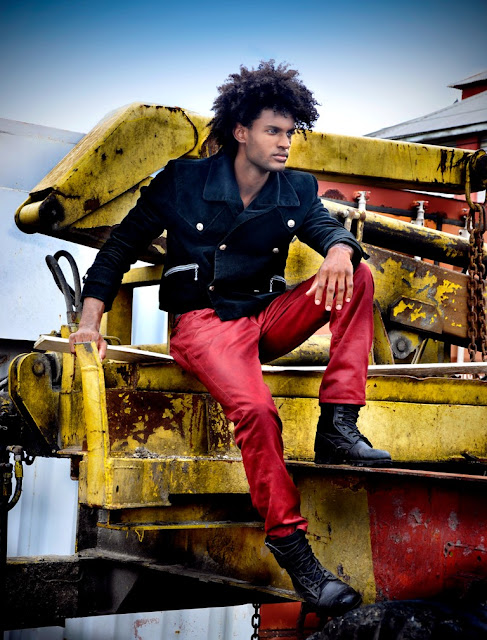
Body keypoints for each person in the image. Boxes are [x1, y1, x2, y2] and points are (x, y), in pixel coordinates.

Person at [69, 60, 391, 616]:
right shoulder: (183, 181)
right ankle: (294, 551)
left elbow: (325, 229)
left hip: (265, 317)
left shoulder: (296, 189)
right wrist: (89, 322)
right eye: (273, 131)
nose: (285, 142)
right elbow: (120, 247)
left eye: (291, 132)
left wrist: (340, 249)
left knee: (357, 274)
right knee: (258, 412)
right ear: (241, 130)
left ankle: (338, 425)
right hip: (205, 324)